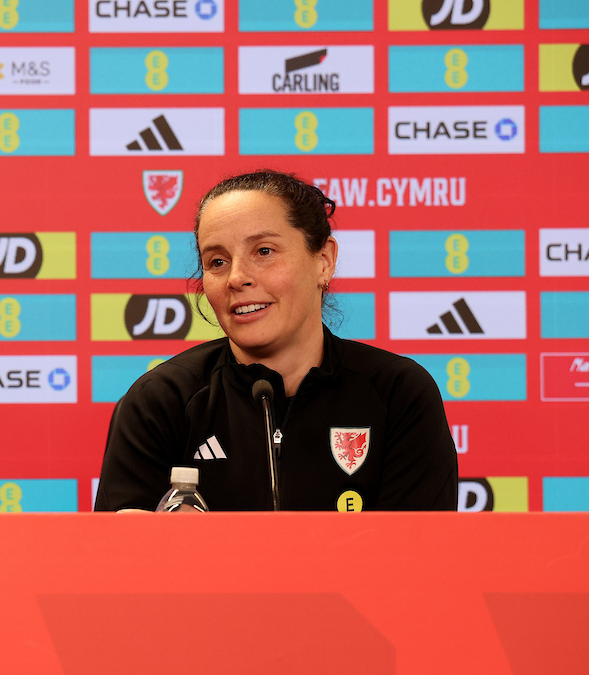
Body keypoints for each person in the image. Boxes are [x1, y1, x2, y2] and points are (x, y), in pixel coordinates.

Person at [95, 170, 457, 512]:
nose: (236, 277)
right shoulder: (160, 401)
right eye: (217, 261)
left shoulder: (398, 393)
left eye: (264, 251)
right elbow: (118, 554)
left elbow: (418, 552)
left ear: (324, 261)